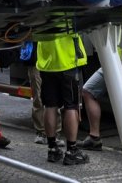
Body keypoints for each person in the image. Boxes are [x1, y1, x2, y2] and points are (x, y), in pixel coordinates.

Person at [37, 30, 88, 166]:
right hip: (68, 60)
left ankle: (52, 149)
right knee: (71, 106)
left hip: (47, 61)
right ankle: (71, 151)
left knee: (50, 106)